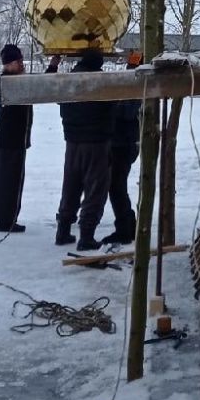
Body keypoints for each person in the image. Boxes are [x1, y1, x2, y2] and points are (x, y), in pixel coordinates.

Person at [55, 49, 117, 251]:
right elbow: (117, 101)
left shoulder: (69, 80)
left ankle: (63, 231)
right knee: (95, 190)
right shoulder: (99, 82)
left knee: (71, 186)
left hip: (72, 143)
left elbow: (54, 94)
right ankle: (86, 236)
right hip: (97, 144)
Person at [0, 43, 32, 234]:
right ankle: (5, 219)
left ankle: (5, 217)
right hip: (10, 139)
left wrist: (52, 67)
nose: (21, 64)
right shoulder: (9, 83)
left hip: (13, 139)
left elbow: (36, 89)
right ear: (8, 64)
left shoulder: (15, 80)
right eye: (17, 61)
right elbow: (34, 90)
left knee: (7, 179)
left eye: (21, 60)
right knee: (8, 181)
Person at [103, 51, 143, 247]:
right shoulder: (130, 83)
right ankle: (128, 224)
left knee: (116, 186)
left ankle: (125, 229)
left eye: (133, 64)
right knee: (116, 186)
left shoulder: (136, 86)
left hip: (125, 144)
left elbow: (127, 112)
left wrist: (109, 106)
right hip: (120, 142)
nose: (129, 67)